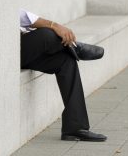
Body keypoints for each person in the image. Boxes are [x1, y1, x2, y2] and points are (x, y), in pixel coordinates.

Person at [20, 9, 107, 142]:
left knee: (66, 60)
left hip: (23, 49)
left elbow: (24, 17)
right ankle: (74, 47)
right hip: (5, 53)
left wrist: (55, 25)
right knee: (47, 34)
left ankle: (75, 128)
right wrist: (54, 26)